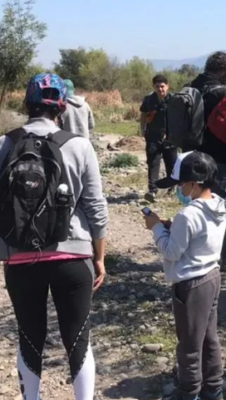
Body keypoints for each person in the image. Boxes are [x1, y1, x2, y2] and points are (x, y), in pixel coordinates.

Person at [0, 73, 108, 400]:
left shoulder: (5, 143)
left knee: (30, 338)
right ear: (62, 106)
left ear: (26, 104)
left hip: (20, 258)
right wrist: (100, 257)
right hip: (74, 257)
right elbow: (96, 208)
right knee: (77, 339)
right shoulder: (79, 145)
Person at [144, 151, 226, 400]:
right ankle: (213, 390)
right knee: (209, 339)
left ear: (194, 182)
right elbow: (198, 237)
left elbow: (171, 251)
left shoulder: (187, 215)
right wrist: (173, 227)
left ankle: (188, 393)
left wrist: (156, 227)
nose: (179, 188)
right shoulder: (219, 205)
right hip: (212, 276)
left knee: (189, 345)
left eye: (181, 183)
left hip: (190, 285)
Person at [188, 52, 226, 271]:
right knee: (224, 202)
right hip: (218, 157)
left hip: (192, 156)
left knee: (197, 203)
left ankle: (199, 248)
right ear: (224, 70)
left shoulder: (190, 87)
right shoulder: (222, 94)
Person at [140, 74, 177, 203]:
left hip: (171, 138)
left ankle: (172, 188)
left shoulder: (174, 100)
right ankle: (152, 191)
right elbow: (143, 114)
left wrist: (174, 134)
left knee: (171, 164)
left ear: (167, 86)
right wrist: (142, 129)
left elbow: (180, 119)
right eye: (157, 87)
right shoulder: (149, 100)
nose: (160, 89)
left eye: (162, 86)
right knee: (153, 163)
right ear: (153, 87)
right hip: (153, 137)